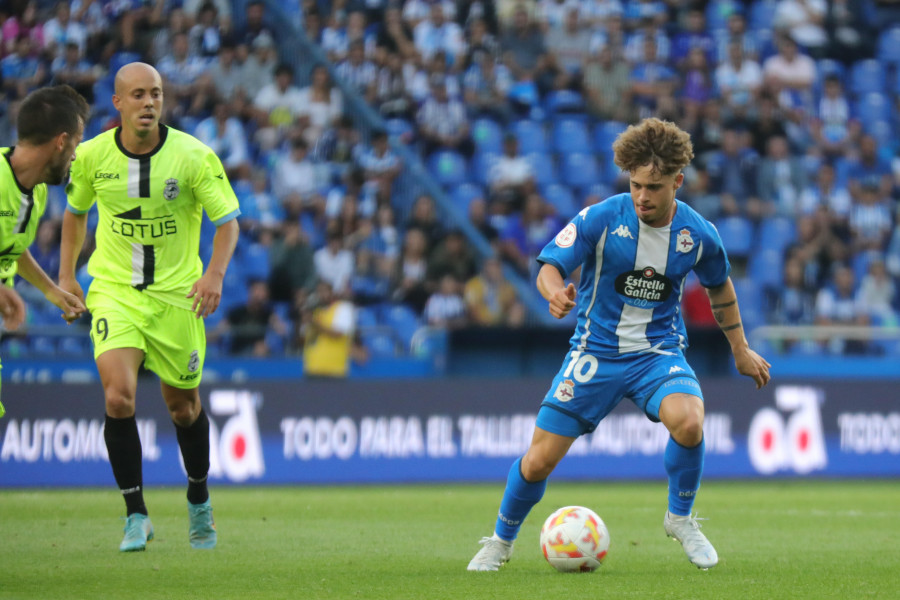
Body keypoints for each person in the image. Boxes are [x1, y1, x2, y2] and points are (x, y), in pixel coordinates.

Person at [466, 118, 771, 572]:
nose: (642, 196)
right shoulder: (602, 217)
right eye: (635, 185)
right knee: (538, 461)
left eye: (653, 186)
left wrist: (740, 349)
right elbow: (550, 266)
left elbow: (720, 288)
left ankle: (680, 518)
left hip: (657, 353)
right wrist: (554, 293)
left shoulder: (698, 234)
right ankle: (500, 541)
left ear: (677, 182)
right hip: (595, 354)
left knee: (689, 421)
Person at [58, 63, 241, 552]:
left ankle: (199, 499)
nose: (148, 103)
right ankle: (135, 514)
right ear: (117, 103)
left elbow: (227, 223)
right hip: (115, 290)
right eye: (137, 95)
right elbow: (74, 216)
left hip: (178, 297)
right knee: (118, 396)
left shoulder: (193, 156)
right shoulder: (92, 156)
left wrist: (214, 274)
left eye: (156, 94)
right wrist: (66, 275)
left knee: (183, 408)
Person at [0, 84, 89, 419]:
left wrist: (51, 290)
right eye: (77, 144)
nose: (76, 156)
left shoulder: (36, 193)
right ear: (61, 141)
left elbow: (12, 247)